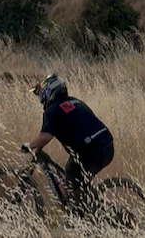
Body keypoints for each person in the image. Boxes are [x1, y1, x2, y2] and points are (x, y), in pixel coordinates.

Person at [24, 73, 114, 215]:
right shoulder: (74, 101)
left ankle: (83, 219)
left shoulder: (51, 111)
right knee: (74, 180)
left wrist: (29, 145)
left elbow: (45, 136)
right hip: (107, 145)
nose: (41, 100)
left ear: (49, 92)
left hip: (90, 152)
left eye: (42, 94)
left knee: (71, 178)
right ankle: (91, 209)